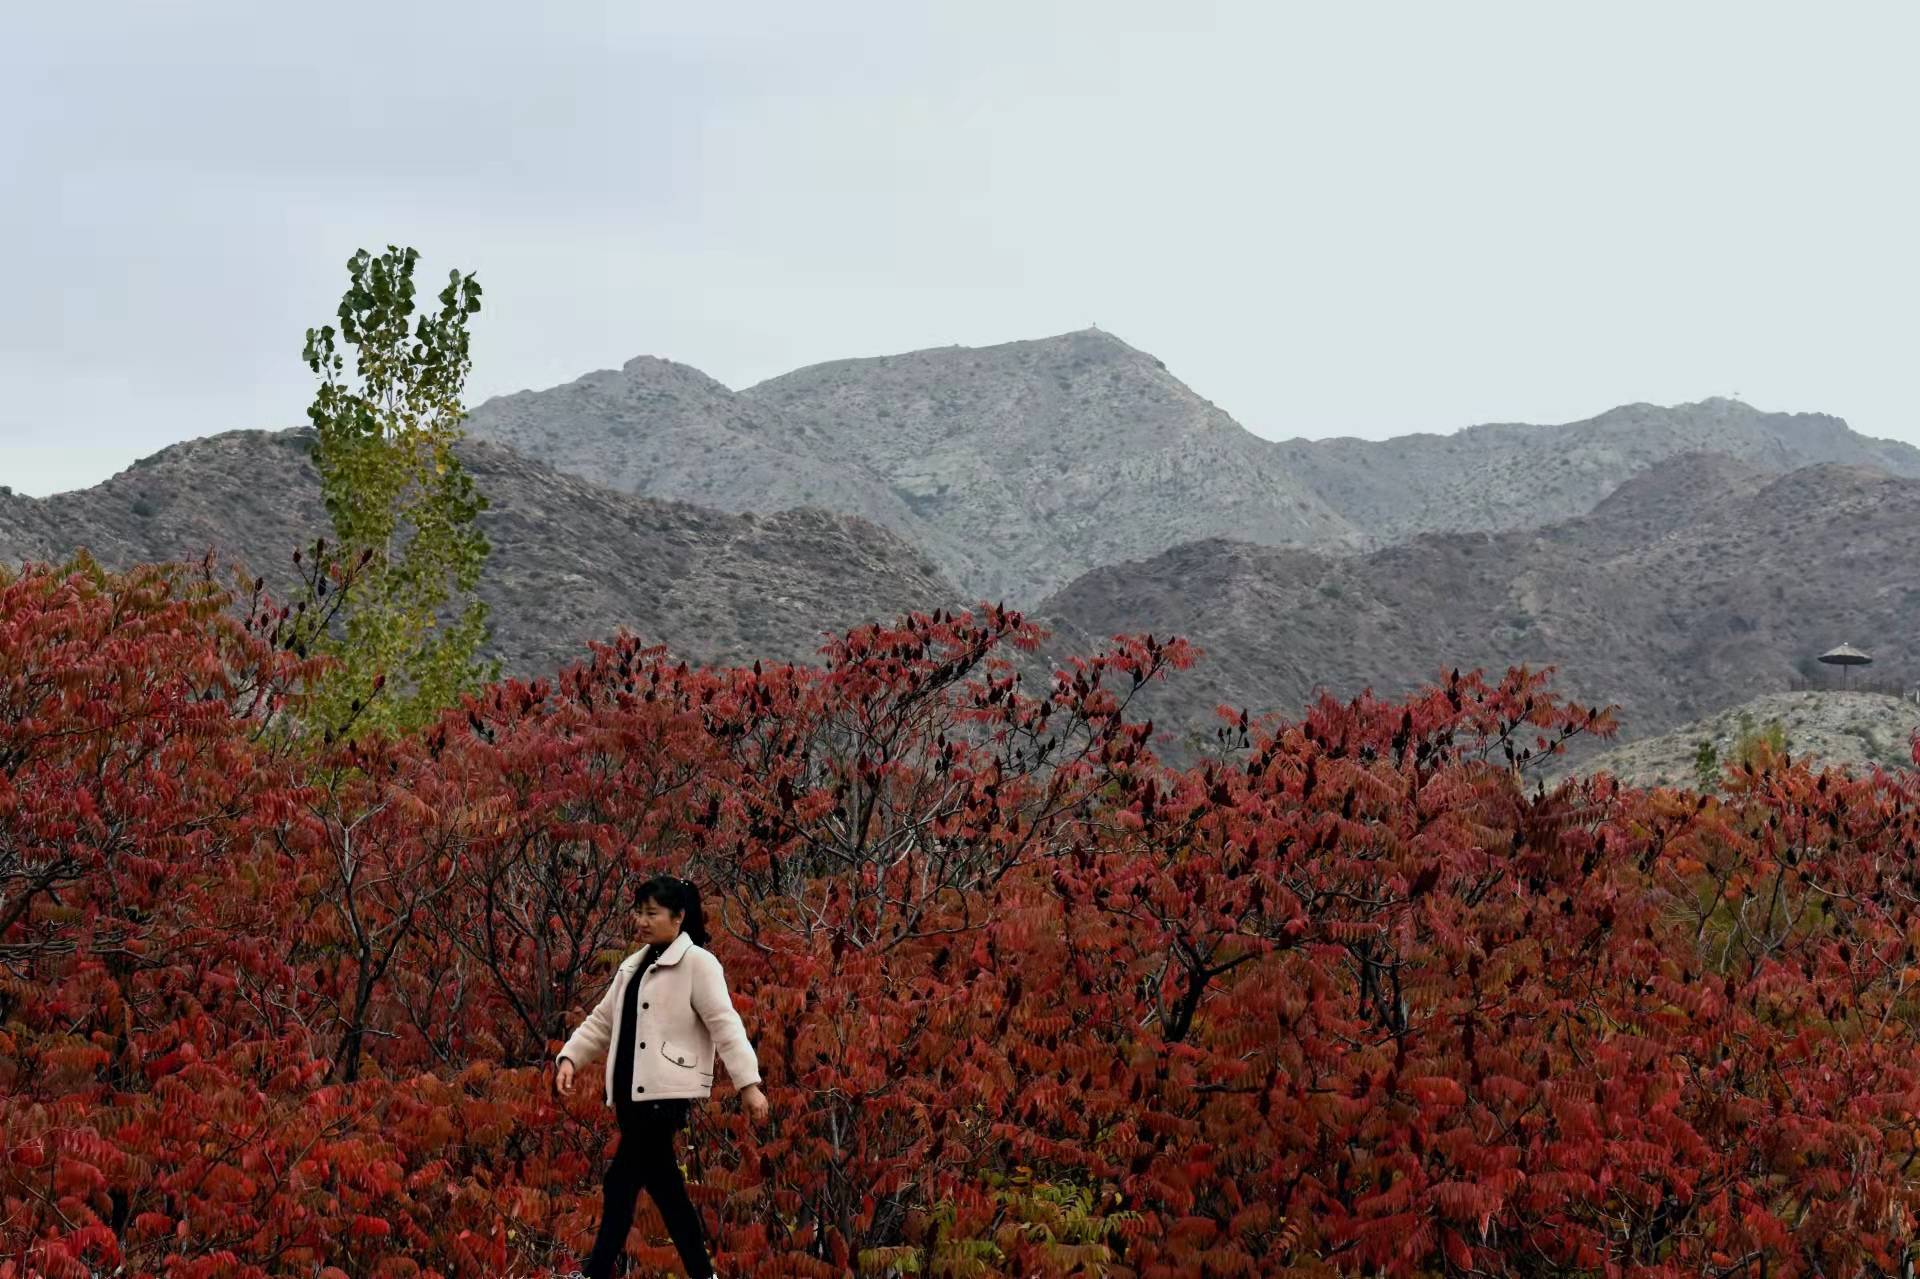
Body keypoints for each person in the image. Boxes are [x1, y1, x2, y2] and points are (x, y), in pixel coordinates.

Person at [555, 875, 770, 1279]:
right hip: (629, 1097)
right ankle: (701, 1273)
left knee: (620, 1183)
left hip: (663, 1096)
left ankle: (595, 1273)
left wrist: (749, 1084)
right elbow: (602, 1022)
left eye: (652, 913)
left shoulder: (697, 964)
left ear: (678, 916)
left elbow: (725, 1023)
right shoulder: (634, 965)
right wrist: (569, 1058)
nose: (642, 921)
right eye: (639, 912)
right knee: (667, 1191)